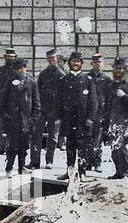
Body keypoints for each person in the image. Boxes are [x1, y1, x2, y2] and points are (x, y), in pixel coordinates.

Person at [57, 51, 97, 179]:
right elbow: (58, 100)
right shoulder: (64, 80)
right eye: (73, 61)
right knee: (70, 146)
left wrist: (90, 118)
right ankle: (70, 172)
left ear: (81, 64)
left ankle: (82, 171)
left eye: (78, 62)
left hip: (82, 120)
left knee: (82, 147)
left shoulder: (87, 80)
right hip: (68, 120)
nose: (75, 64)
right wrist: (58, 118)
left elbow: (93, 101)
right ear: (69, 63)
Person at [0, 58, 40, 174]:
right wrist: (5, 115)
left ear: (26, 68)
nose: (21, 70)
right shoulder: (10, 81)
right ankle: (9, 168)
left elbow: (36, 102)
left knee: (24, 145)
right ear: (15, 70)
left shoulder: (32, 82)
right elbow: (3, 100)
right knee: (12, 145)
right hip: (13, 119)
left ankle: (22, 167)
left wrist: (34, 118)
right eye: (18, 69)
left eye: (23, 68)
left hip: (26, 120)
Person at [31, 49, 63, 169]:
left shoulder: (61, 74)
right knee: (36, 135)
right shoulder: (43, 74)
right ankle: (35, 161)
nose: (51, 60)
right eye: (49, 58)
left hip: (54, 111)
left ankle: (49, 161)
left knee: (53, 137)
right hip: (42, 109)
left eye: (53, 58)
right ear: (47, 60)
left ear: (56, 59)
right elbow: (37, 91)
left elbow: (63, 94)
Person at [103, 60, 128, 179]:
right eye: (116, 68)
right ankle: (118, 172)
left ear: (124, 70)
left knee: (121, 147)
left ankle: (126, 172)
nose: (117, 71)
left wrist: (125, 96)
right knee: (113, 148)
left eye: (120, 68)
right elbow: (106, 106)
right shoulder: (109, 87)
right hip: (111, 120)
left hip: (123, 121)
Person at [87, 53, 111, 170]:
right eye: (95, 62)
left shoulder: (107, 80)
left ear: (103, 64)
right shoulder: (86, 78)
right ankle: (87, 162)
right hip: (88, 113)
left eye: (99, 62)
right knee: (88, 138)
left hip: (101, 113)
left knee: (98, 139)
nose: (97, 64)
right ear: (91, 64)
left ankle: (97, 163)